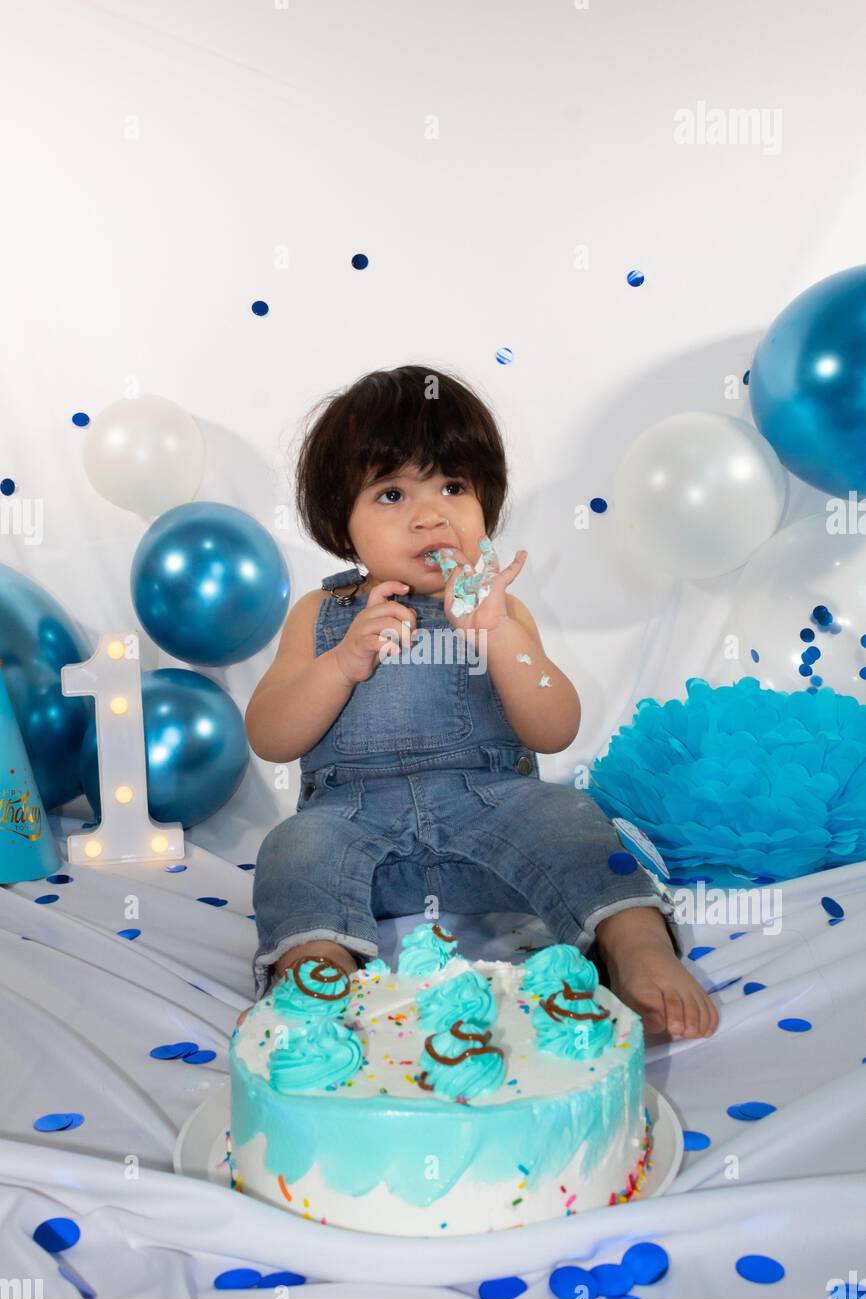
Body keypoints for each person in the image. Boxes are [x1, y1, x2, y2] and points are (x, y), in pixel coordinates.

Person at [240, 365, 719, 1044]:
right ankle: (315, 969)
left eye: (453, 487)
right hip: (355, 835)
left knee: (572, 816)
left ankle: (636, 945)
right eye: (392, 493)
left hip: (494, 824)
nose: (430, 513)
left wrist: (496, 638)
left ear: (485, 506)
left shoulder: (500, 607)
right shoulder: (324, 613)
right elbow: (270, 735)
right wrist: (341, 662)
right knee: (293, 846)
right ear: (340, 524)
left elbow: (554, 728)